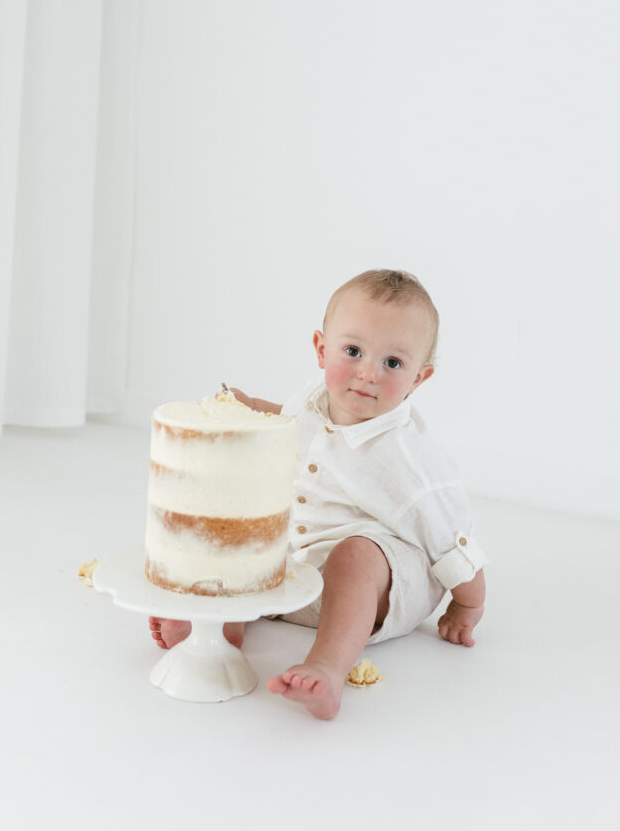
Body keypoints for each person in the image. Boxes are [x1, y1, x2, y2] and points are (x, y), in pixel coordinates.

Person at [149, 269, 487, 719]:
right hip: (299, 571)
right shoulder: (314, 399)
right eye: (353, 351)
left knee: (357, 555)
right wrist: (250, 405)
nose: (367, 373)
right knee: (251, 533)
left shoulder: (408, 461)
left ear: (418, 379)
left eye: (392, 363)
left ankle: (328, 669)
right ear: (321, 349)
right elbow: (289, 422)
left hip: (373, 588)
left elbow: (450, 535)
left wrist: (468, 603)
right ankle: (219, 629)